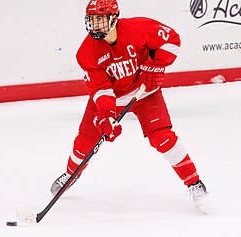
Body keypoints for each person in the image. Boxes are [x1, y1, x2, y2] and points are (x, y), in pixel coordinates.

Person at [50, 0, 208, 205]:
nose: (94, 24)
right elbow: (100, 89)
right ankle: (71, 174)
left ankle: (194, 183)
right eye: (92, 19)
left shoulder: (139, 28)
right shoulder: (86, 52)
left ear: (114, 18)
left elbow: (171, 39)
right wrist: (106, 116)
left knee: (162, 137)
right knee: (86, 140)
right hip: (113, 98)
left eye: (100, 19)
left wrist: (156, 65)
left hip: (145, 92)